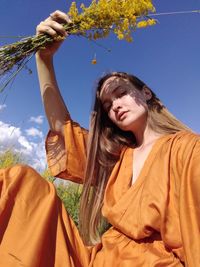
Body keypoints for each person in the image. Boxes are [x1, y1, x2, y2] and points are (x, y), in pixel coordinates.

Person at [0, 10, 199, 267]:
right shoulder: (115, 159)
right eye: (107, 105)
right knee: (17, 182)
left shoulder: (187, 149)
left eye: (121, 93)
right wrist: (44, 59)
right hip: (96, 260)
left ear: (146, 93)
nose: (115, 105)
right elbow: (62, 128)